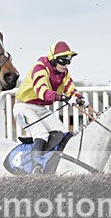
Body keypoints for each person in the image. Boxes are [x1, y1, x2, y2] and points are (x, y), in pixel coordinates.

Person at [13, 41, 88, 173]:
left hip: (40, 108)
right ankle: (36, 168)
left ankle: (56, 164)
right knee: (41, 133)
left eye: (68, 62)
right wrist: (63, 98)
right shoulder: (40, 67)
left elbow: (70, 88)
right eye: (63, 61)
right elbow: (42, 92)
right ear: (53, 59)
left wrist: (79, 98)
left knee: (63, 133)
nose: (66, 65)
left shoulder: (64, 72)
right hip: (23, 107)